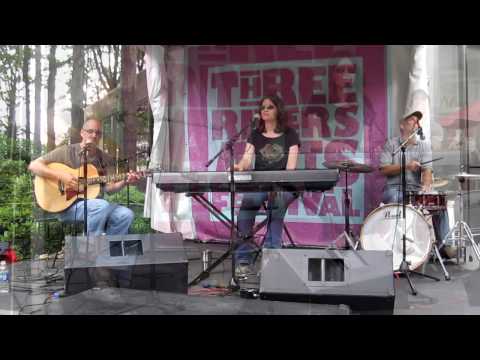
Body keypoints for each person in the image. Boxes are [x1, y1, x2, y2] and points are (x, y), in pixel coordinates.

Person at [28, 116, 142, 236]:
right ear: (82, 133)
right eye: (90, 131)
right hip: (66, 206)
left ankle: (107, 250)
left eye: (98, 133)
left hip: (95, 206)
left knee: (126, 215)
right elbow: (34, 165)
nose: (94, 135)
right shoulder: (67, 151)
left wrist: (124, 181)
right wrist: (60, 176)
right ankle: (92, 249)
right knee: (101, 205)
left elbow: (108, 189)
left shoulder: (102, 157)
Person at [232, 95, 300, 279]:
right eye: (263, 107)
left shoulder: (290, 134)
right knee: (247, 208)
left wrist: (278, 186)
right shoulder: (254, 134)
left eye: (270, 107)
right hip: (260, 184)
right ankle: (243, 261)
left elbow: (291, 168)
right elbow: (247, 159)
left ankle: (272, 260)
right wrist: (239, 166)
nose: (265, 110)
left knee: (277, 204)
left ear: (278, 110)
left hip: (283, 185)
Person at [379, 110, 453, 258]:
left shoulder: (424, 146)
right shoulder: (391, 144)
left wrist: (426, 186)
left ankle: (445, 246)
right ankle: (397, 246)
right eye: (412, 120)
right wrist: (406, 166)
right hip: (395, 189)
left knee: (439, 203)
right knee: (395, 199)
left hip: (415, 190)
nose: (416, 123)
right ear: (402, 125)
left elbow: (427, 170)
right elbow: (383, 169)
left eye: (417, 121)